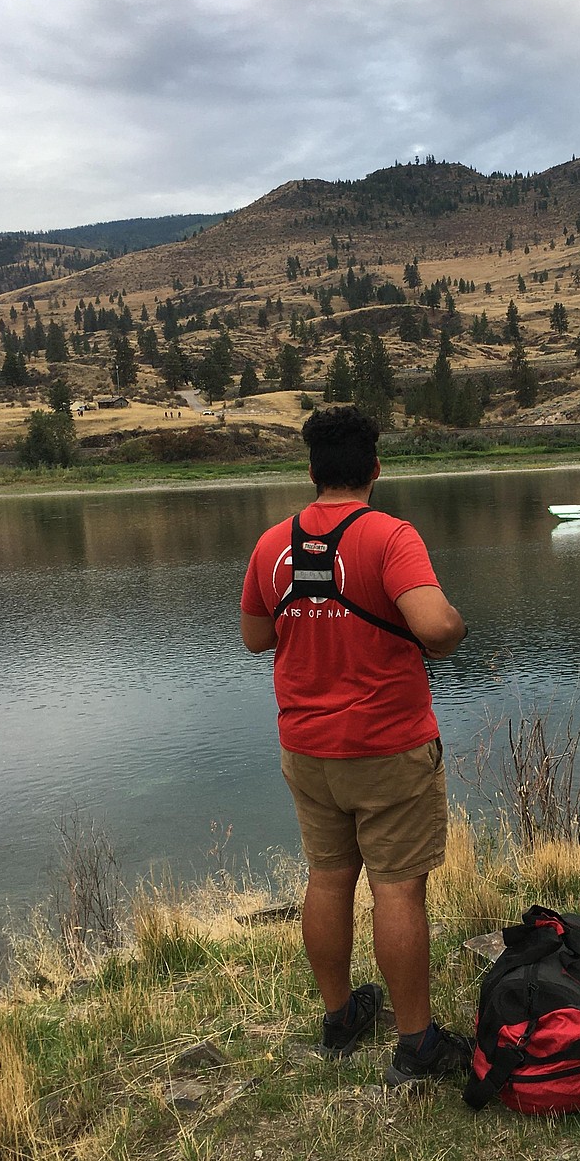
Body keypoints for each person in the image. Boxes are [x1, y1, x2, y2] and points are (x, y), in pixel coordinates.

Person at [240, 405, 473, 1084]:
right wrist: (455, 627)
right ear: (375, 467)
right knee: (398, 891)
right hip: (387, 745)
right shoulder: (389, 536)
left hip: (307, 750)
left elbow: (257, 637)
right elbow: (434, 626)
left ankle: (342, 1018)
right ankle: (416, 1045)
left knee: (329, 877)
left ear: (312, 470)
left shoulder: (271, 543)